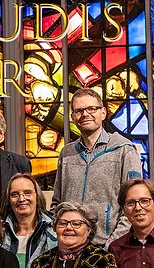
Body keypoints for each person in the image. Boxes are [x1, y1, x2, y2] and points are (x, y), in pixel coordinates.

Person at [51, 88, 142, 247]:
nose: (85, 114)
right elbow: (57, 203)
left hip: (107, 246)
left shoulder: (124, 150)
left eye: (92, 109)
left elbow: (133, 205)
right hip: (70, 246)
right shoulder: (67, 153)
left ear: (103, 112)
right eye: (79, 111)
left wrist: (112, 245)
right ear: (72, 117)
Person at [0, 173, 57, 268]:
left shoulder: (54, 231)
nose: (21, 199)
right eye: (15, 194)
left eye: (27, 193)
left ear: (37, 196)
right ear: (8, 200)